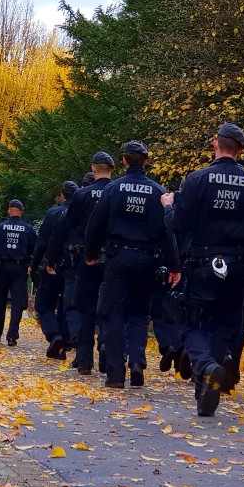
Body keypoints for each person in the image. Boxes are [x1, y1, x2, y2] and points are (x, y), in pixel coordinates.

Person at [163, 123, 244, 417]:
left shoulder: (196, 180)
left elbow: (179, 225)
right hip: (237, 266)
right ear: (241, 151)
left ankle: (205, 367)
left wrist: (168, 207)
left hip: (202, 263)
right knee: (223, 326)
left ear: (215, 145)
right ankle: (207, 387)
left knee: (192, 323)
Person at [85, 141, 180, 388]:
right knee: (139, 313)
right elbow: (168, 231)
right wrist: (173, 265)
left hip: (118, 258)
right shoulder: (158, 192)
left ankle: (115, 374)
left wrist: (91, 253)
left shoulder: (113, 189)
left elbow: (96, 224)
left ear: (124, 161)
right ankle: (137, 362)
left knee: (113, 313)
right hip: (147, 259)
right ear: (145, 161)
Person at [46, 151, 115, 374]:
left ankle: (85, 359)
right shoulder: (117, 191)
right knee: (110, 306)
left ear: (93, 168)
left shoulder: (83, 194)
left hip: (86, 257)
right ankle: (106, 346)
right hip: (113, 257)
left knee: (84, 308)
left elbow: (70, 223)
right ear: (112, 168)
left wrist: (52, 257)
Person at [33, 181, 79, 359]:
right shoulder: (81, 214)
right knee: (67, 304)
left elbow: (43, 241)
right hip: (75, 266)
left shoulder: (53, 213)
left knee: (44, 304)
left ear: (62, 195)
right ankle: (65, 341)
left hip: (54, 265)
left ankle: (54, 335)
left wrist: (35, 263)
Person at [0, 199, 38, 346]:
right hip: (20, 269)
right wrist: (33, 266)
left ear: (9, 210)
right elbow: (36, 250)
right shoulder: (28, 229)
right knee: (17, 302)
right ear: (21, 211)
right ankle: (12, 336)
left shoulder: (1, 228)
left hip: (2, 268)